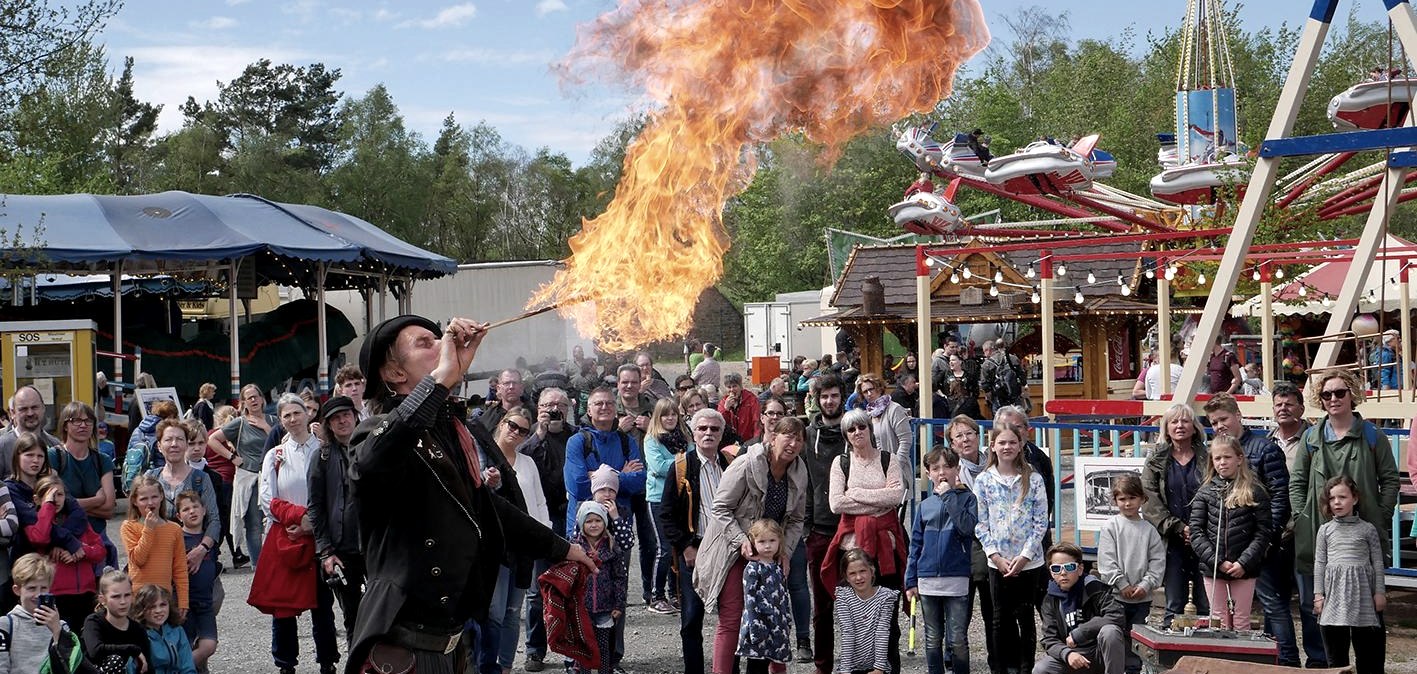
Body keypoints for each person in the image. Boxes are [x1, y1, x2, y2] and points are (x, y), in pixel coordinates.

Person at [347, 314, 594, 673]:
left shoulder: (450, 431)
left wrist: (561, 548)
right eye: (425, 343)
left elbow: (485, 504)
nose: (442, 344)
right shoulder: (374, 434)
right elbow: (370, 461)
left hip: (452, 640)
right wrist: (440, 380)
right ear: (395, 374)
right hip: (403, 646)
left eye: (438, 337)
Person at [1290, 369, 1399, 660]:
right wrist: (1302, 515)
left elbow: (1390, 479)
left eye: (1340, 392)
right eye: (1327, 395)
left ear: (1352, 394)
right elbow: (1297, 482)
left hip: (1362, 535)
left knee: (1369, 612)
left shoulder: (1373, 435)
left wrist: (1382, 513)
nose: (1334, 399)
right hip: (1320, 530)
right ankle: (1325, 664)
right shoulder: (1311, 438)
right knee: (1321, 605)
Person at [695, 415, 808, 674]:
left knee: (773, 618)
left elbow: (797, 519)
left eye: (798, 439)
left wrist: (786, 552)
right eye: (787, 436)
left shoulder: (799, 471)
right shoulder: (746, 463)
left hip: (770, 552)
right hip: (734, 550)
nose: (792, 443)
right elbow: (720, 507)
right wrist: (740, 540)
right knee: (732, 618)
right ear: (772, 437)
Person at [252, 393, 338, 674]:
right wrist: (299, 519)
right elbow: (267, 498)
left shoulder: (325, 450)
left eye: (297, 413)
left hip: (321, 537)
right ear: (281, 420)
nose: (292, 419)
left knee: (322, 605)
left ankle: (327, 662)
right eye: (286, 415)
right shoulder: (274, 455)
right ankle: (285, 664)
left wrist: (313, 522)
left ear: (308, 414)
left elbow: (335, 491)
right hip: (288, 535)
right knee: (284, 606)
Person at [661, 408, 734, 674]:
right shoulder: (680, 467)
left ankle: (729, 669)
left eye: (714, 429)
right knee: (692, 619)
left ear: (722, 433)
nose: (708, 433)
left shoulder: (729, 464)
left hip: (727, 551)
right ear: (693, 432)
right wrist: (686, 547)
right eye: (702, 428)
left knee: (730, 617)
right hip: (695, 550)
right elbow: (666, 515)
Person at [974, 426, 1048, 674]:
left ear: (1020, 445)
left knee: (1026, 617)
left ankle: (1026, 667)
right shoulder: (983, 480)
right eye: (1002, 442)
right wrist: (994, 555)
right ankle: (1001, 669)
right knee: (999, 619)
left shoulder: (1034, 478)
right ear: (993, 446)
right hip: (998, 562)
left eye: (1012, 442)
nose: (1007, 447)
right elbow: (980, 522)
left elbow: (1040, 521)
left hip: (1029, 562)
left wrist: (1025, 555)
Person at [478, 407, 547, 674]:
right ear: (501, 424)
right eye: (512, 426)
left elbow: (540, 503)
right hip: (495, 547)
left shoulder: (527, 462)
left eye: (523, 431)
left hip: (524, 545)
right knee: (494, 611)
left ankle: (505, 666)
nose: (516, 433)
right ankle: (488, 664)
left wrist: (543, 537)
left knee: (512, 611)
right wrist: (488, 481)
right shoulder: (482, 456)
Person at [520, 388, 577, 672]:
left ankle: (571, 648)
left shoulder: (578, 435)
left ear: (568, 408)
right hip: (539, 518)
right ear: (539, 407)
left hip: (569, 518)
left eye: (559, 405)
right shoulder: (529, 435)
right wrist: (539, 432)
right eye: (548, 405)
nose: (555, 409)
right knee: (536, 589)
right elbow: (517, 461)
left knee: (570, 586)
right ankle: (534, 650)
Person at [905, 448, 977, 674]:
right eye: (935, 468)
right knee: (932, 637)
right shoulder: (924, 506)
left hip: (956, 577)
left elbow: (967, 528)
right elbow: (915, 545)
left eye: (947, 466)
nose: (942, 472)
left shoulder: (968, 499)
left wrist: (948, 496)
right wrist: (910, 579)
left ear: (957, 469)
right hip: (927, 579)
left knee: (957, 639)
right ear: (928, 473)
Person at [1188, 435, 1270, 630]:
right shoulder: (1205, 492)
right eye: (1217, 458)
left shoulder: (1255, 491)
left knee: (1241, 620)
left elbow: (1263, 531)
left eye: (1227, 457)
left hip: (1244, 569)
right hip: (1213, 568)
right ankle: (1219, 660)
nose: (1222, 462)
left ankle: (1242, 660)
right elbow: (1196, 532)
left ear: (1239, 459)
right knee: (1218, 620)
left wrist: (1244, 562)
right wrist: (1217, 561)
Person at [1141, 403, 1210, 626]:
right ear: (1166, 428)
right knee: (1174, 603)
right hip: (1171, 539)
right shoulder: (1156, 461)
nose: (1180, 426)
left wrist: (1197, 529)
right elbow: (1149, 501)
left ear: (1194, 426)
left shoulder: (1208, 458)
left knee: (1206, 601)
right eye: (1174, 421)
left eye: (1185, 421)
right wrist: (1179, 528)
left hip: (1206, 538)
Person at [826, 409, 907, 592]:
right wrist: (880, 500)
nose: (857, 432)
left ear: (870, 429)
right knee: (854, 609)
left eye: (862, 426)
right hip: (851, 549)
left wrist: (854, 492)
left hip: (886, 547)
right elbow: (836, 504)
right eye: (851, 429)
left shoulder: (889, 459)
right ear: (846, 436)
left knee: (887, 606)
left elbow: (895, 495)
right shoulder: (841, 463)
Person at [1313, 476, 1385, 674]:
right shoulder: (1325, 531)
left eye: (1342, 497)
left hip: (1362, 597)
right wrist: (1318, 595)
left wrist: (1380, 592)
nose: (1337, 502)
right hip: (1335, 597)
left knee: (1368, 652)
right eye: (1332, 498)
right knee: (1336, 654)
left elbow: (1377, 562)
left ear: (1354, 498)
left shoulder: (1367, 529)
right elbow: (1319, 563)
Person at [1095, 474, 1163, 674]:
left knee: (1137, 635)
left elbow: (1158, 561)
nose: (1127, 503)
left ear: (1142, 499)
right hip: (1116, 596)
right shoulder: (1111, 527)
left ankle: (1133, 669)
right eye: (1122, 499)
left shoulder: (1149, 530)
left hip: (1142, 597)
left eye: (1132, 498)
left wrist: (1145, 585)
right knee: (1115, 634)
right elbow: (1106, 560)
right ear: (1115, 500)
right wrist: (1121, 584)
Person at [802, 375, 845, 674]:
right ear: (817, 400)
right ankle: (823, 665)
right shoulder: (806, 436)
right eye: (824, 397)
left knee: (859, 602)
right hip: (818, 528)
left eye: (834, 396)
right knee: (823, 608)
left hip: (849, 528)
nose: (829, 401)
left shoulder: (855, 432)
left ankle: (859, 662)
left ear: (842, 398)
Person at [206, 383, 274, 569]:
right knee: (254, 526)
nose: (253, 400)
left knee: (273, 523)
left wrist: (266, 427)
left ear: (262, 398)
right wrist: (232, 457)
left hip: (272, 478)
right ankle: (257, 566)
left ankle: (274, 564)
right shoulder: (240, 422)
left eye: (256, 396)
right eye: (249, 397)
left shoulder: (273, 420)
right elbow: (212, 440)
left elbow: (281, 441)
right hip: (250, 478)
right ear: (243, 402)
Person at [1033, 543, 1127, 674]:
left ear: (1080, 569)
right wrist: (1067, 654)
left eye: (1069, 567)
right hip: (1073, 656)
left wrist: (1080, 633)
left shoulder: (1093, 588)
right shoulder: (1049, 599)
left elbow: (1116, 615)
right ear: (1051, 572)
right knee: (1041, 669)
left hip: (1099, 652)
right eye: (1056, 568)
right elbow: (1049, 639)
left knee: (1110, 631)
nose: (1063, 573)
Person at [25, 476, 104, 629]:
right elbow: (40, 537)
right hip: (55, 594)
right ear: (38, 499)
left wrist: (81, 550)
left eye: (60, 494)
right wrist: (47, 506)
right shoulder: (34, 522)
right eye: (50, 495)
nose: (56, 499)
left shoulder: (79, 520)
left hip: (85, 593)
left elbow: (100, 551)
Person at [146, 420, 221, 571]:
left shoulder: (201, 478)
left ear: (186, 444)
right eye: (168, 439)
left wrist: (202, 550)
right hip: (159, 558)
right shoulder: (151, 478)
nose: (174, 444)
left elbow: (214, 520)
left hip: (194, 557)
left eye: (180, 439)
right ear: (159, 446)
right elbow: (138, 519)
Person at [49, 401, 117, 564]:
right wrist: (97, 500)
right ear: (65, 425)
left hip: (97, 540)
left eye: (88, 421)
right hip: (65, 537)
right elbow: (54, 503)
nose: (83, 425)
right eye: (76, 421)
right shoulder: (54, 456)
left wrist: (70, 507)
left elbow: (109, 509)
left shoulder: (102, 460)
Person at [571, 497, 632, 674]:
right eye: (589, 521)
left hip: (606, 608)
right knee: (584, 648)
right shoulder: (575, 549)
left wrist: (619, 604)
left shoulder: (612, 547)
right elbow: (570, 580)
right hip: (582, 608)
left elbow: (620, 578)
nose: (593, 525)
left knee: (604, 648)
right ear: (582, 524)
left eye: (598, 520)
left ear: (604, 523)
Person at [0, 553, 85, 674]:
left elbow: (70, 667)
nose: (38, 594)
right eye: (31, 588)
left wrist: (57, 631)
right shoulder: (6, 625)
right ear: (17, 590)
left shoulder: (61, 626)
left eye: (43, 588)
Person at [120, 475, 190, 617]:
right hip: (138, 598)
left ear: (161, 497)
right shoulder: (129, 527)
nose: (150, 502)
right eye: (144, 499)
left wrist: (183, 601)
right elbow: (138, 560)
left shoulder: (174, 529)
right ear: (135, 501)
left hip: (164, 598)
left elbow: (180, 569)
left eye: (154, 497)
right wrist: (149, 529)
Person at [642, 398, 685, 615]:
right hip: (659, 498)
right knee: (664, 548)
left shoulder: (683, 438)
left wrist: (681, 461)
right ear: (658, 418)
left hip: (680, 498)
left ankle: (675, 593)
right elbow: (659, 467)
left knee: (677, 547)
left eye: (673, 414)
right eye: (665, 415)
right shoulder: (651, 440)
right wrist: (682, 461)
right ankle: (656, 595)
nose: (670, 418)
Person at [735, 519, 792, 674]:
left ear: (780, 541)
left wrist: (787, 618)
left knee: (768, 662)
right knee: (755, 666)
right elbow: (749, 599)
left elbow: (783, 595)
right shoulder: (753, 569)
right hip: (758, 624)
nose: (767, 546)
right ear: (753, 542)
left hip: (775, 625)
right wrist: (754, 625)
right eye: (762, 541)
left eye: (772, 541)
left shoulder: (778, 567)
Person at [833, 549, 899, 674]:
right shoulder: (844, 596)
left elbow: (882, 632)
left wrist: (879, 668)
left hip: (877, 664)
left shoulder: (885, 596)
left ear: (872, 570)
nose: (858, 577)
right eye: (852, 573)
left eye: (862, 571)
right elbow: (848, 632)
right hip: (852, 665)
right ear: (846, 577)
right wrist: (845, 671)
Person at [176, 490, 220, 671]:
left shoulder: (208, 541)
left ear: (204, 510)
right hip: (184, 604)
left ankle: (179, 668)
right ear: (178, 516)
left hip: (205, 603)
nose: (192, 511)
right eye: (186, 509)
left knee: (209, 645)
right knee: (185, 644)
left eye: (195, 507)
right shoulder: (177, 537)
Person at [81, 569, 149, 674]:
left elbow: (147, 666)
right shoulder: (93, 622)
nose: (123, 602)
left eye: (127, 595)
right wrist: (132, 649)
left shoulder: (138, 629)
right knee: (115, 661)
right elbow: (95, 651)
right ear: (102, 600)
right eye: (116, 596)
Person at [855, 374, 913, 491]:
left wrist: (895, 467)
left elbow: (905, 441)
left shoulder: (894, 409)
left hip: (897, 473)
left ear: (879, 388)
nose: (869, 394)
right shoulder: (868, 415)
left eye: (871, 389)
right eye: (865, 392)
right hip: (876, 475)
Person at [203, 405, 241, 566]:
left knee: (217, 519)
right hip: (231, 480)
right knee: (229, 520)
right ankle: (236, 553)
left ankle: (218, 553)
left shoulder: (210, 436)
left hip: (214, 481)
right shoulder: (234, 436)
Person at [0, 386, 61, 480]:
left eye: (34, 407)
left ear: (43, 408)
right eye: (23, 409)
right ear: (12, 413)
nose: (30, 413)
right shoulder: (2, 446)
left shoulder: (55, 445)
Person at [134, 583, 196, 674]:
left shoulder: (177, 631)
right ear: (141, 610)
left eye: (163, 605)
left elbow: (187, 666)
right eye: (152, 607)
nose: (158, 611)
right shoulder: (136, 636)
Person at [124, 399, 179, 491]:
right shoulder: (163, 432)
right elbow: (162, 459)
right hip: (156, 478)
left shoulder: (138, 429)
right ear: (170, 416)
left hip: (135, 476)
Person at [718, 373, 762, 448]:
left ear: (741, 387)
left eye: (734, 386)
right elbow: (720, 423)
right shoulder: (723, 402)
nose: (732, 390)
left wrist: (756, 442)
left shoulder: (751, 400)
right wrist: (726, 409)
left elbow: (756, 422)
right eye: (729, 387)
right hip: (730, 443)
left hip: (748, 441)